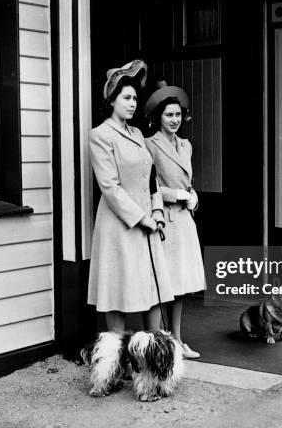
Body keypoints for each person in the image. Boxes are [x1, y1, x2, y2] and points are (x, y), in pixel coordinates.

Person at [88, 60, 174, 333]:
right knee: (118, 290)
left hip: (149, 220)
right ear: (112, 100)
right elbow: (110, 187)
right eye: (126, 97)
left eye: (135, 98)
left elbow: (151, 179)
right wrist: (142, 219)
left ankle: (154, 351)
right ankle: (115, 358)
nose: (132, 103)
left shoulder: (137, 133)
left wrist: (157, 211)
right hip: (120, 225)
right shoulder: (100, 135)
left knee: (153, 286)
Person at [144, 85, 206, 359]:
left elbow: (187, 182)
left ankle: (178, 339)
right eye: (169, 115)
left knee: (180, 284)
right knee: (161, 283)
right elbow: (150, 185)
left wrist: (193, 196)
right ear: (159, 117)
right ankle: (159, 341)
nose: (174, 120)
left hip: (184, 220)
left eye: (178, 114)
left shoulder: (186, 145)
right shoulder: (150, 144)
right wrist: (178, 195)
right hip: (164, 220)